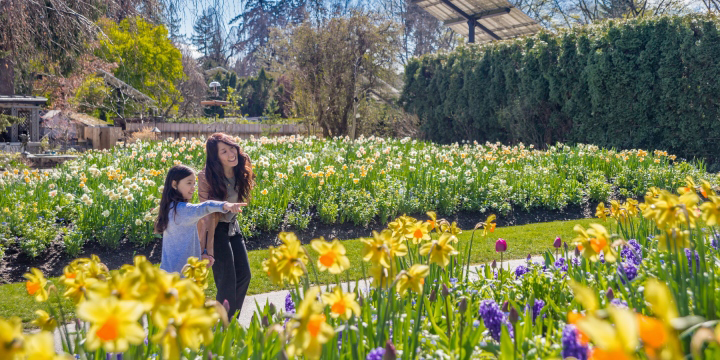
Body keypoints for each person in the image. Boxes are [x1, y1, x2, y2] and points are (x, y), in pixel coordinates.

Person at [197, 133, 255, 319]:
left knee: (244, 275)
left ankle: (230, 323)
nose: (231, 153)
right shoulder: (207, 177)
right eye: (224, 151)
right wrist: (207, 248)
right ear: (216, 157)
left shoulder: (240, 170)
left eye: (232, 148)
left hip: (232, 226)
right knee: (227, 282)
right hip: (216, 230)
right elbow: (206, 213)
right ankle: (222, 330)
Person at [154, 164, 245, 274]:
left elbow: (186, 244)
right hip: (182, 279)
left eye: (194, 183)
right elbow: (206, 206)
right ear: (174, 184)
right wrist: (226, 205)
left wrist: (202, 254)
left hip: (167, 274)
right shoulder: (183, 210)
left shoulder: (169, 208)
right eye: (189, 183)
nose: (193, 187)